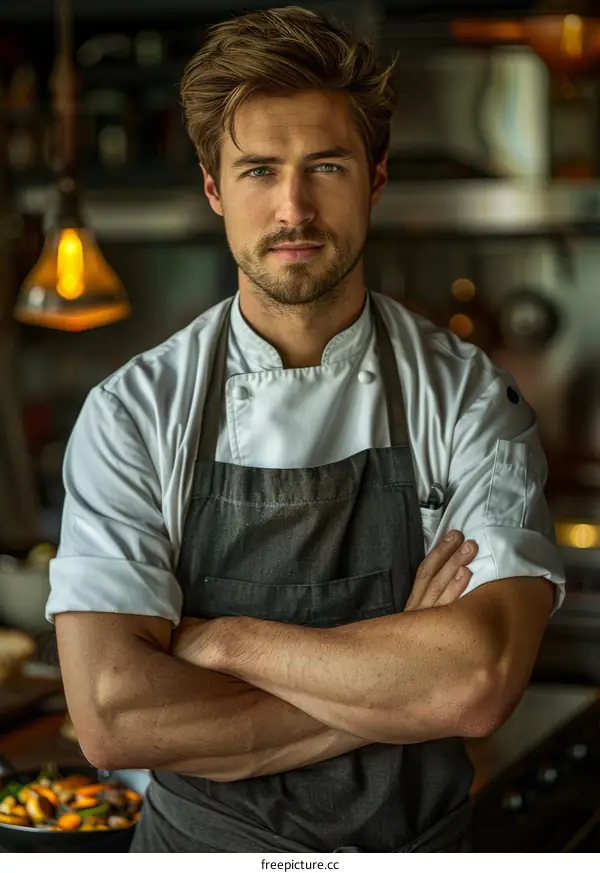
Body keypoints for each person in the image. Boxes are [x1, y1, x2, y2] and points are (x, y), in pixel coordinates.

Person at [47, 6, 565, 853]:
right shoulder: (132, 414)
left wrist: (219, 640)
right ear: (214, 189)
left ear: (376, 177)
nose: (293, 207)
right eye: (258, 171)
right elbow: (112, 718)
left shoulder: (467, 397)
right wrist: (399, 682)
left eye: (325, 165)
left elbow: (474, 681)